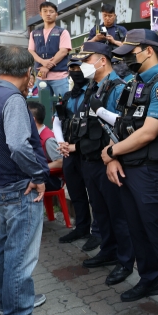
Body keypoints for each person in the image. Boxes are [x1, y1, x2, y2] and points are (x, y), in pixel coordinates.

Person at [102, 29, 158, 315]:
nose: (125, 60)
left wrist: (112, 152)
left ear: (148, 50)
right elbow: (121, 125)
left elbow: (149, 133)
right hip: (128, 170)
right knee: (137, 231)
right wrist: (112, 158)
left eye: (130, 53)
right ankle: (150, 278)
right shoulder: (133, 84)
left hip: (153, 173)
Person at [0, 46, 53, 315]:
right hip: (20, 188)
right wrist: (38, 174)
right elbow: (19, 145)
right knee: (20, 255)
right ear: (29, 73)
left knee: (7, 249)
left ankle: (11, 302)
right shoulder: (13, 100)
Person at [70, 42, 135, 286]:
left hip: (107, 160)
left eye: (88, 59)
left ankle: (125, 261)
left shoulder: (117, 87)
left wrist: (112, 157)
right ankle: (108, 250)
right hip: (89, 159)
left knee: (118, 215)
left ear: (103, 60)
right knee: (101, 212)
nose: (84, 64)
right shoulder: (92, 88)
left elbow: (119, 126)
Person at [54, 58, 101, 251]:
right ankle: (81, 228)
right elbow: (57, 120)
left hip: (88, 151)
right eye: (71, 68)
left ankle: (98, 233)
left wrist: (75, 147)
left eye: (78, 67)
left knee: (95, 196)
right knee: (75, 192)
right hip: (69, 152)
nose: (74, 71)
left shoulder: (95, 93)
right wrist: (61, 143)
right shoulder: (66, 96)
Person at [28, 1, 72, 97]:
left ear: (56, 14)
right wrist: (42, 62)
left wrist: (46, 67)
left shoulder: (63, 32)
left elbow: (63, 51)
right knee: (44, 107)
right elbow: (31, 51)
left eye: (51, 11)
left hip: (59, 76)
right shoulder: (34, 33)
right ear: (40, 14)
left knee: (63, 105)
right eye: (45, 11)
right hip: (41, 76)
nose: (48, 14)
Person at [27, 101, 63, 192]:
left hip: (54, 179)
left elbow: (60, 162)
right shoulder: (35, 135)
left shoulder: (48, 139)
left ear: (32, 119)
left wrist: (39, 168)